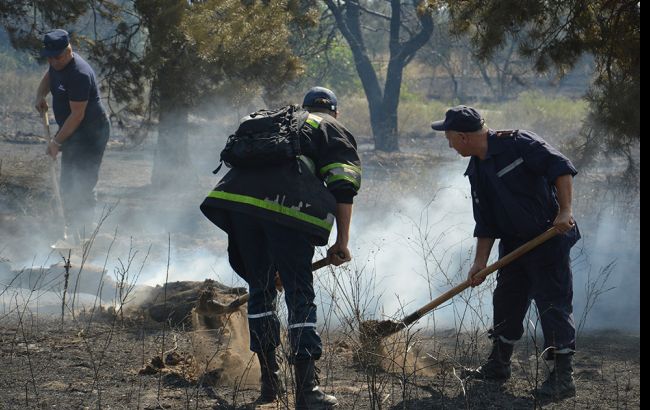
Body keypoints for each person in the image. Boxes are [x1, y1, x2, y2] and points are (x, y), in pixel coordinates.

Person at [200, 87, 361, 409]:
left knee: (261, 291)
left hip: (239, 206)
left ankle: (269, 386)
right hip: (285, 209)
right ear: (335, 112)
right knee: (299, 292)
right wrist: (341, 242)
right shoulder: (331, 128)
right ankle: (307, 391)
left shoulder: (282, 123)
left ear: (304, 107)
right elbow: (344, 186)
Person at [431, 105, 580, 400]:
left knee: (551, 304)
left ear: (462, 136)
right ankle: (498, 365)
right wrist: (479, 263)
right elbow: (485, 220)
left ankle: (563, 377)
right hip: (514, 244)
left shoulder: (519, 143)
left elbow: (561, 168)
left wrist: (564, 211)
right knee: (507, 300)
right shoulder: (476, 169)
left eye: (448, 138)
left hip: (547, 238)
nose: (448, 144)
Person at [34, 29, 110, 244]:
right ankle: (70, 230)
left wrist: (57, 142)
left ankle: (85, 235)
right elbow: (49, 77)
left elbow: (77, 115)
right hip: (72, 132)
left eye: (56, 56)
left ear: (69, 51)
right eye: (49, 56)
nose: (52, 60)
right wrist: (40, 95)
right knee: (68, 182)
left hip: (91, 133)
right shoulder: (56, 63)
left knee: (83, 182)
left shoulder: (79, 74)